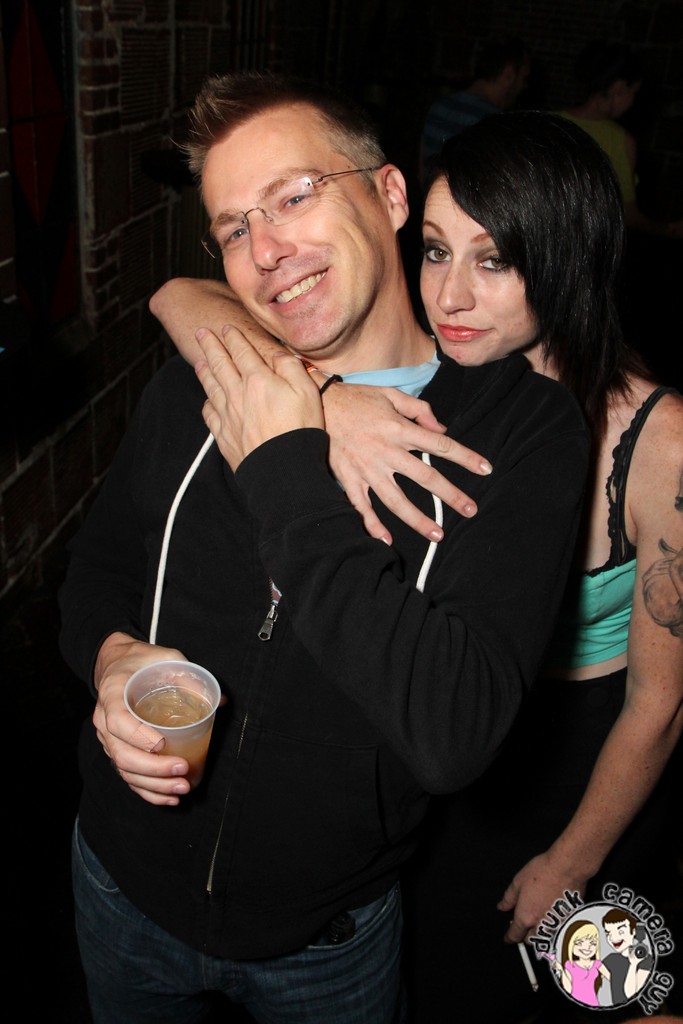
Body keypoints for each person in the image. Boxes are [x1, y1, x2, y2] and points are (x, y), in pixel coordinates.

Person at [60, 73, 589, 1024]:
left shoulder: (520, 433)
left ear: (390, 194)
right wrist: (111, 656)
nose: (265, 249)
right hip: (117, 884)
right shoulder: (201, 381)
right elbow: (97, 570)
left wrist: (285, 455)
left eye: (295, 195)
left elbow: (453, 734)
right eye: (233, 228)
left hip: (326, 943)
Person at [154, 109, 682, 1024]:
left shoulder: (657, 438)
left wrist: (572, 860)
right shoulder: (434, 385)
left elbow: (660, 703)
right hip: (441, 774)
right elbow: (182, 296)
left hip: (577, 773)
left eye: (495, 260)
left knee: (591, 997)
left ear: (566, 257)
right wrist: (326, 394)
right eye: (435, 252)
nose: (450, 296)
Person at [559, 40, 683, 239]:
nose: (633, 101)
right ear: (619, 88)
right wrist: (669, 231)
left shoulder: (550, 121)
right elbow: (627, 215)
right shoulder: (620, 140)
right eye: (633, 93)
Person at [420, 34, 530, 178]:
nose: (524, 86)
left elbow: (422, 172)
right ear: (509, 74)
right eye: (523, 78)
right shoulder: (496, 124)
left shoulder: (438, 108)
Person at [601, 909, 653, 1005]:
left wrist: (633, 964)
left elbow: (631, 994)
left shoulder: (645, 960)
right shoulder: (611, 959)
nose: (613, 938)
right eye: (608, 933)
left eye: (620, 931)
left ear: (633, 931)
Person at [554, 920, 610, 1007]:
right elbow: (568, 990)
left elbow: (613, 979)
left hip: (594, 1004)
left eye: (593, 943)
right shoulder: (569, 965)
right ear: (570, 944)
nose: (587, 947)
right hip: (574, 1006)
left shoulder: (597, 964)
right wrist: (560, 970)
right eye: (579, 943)